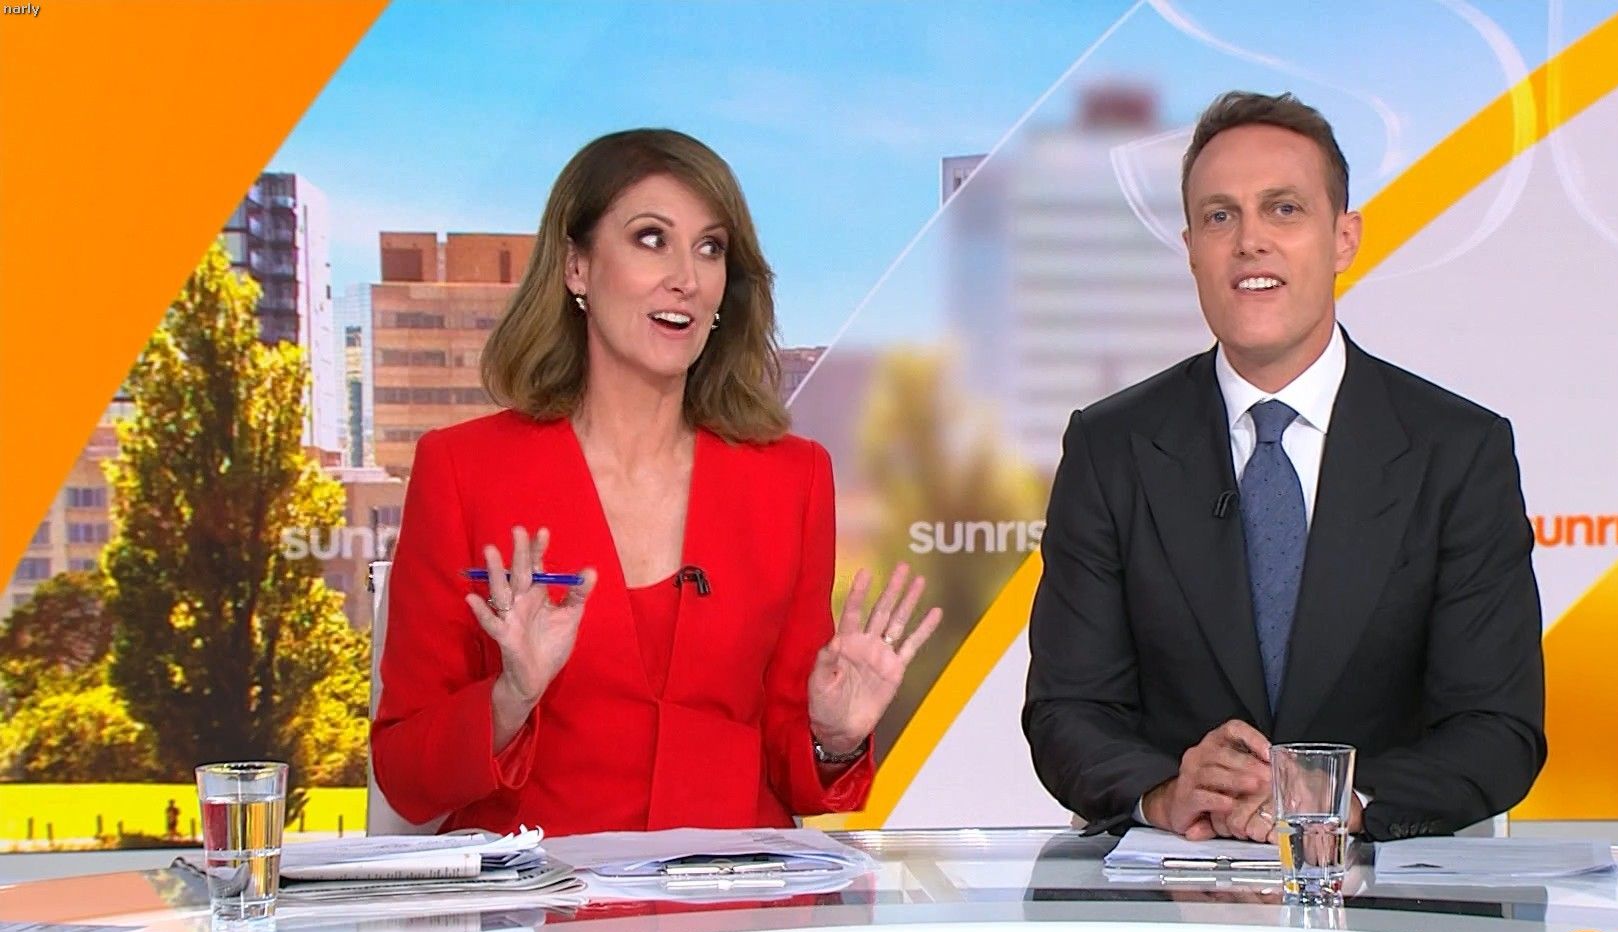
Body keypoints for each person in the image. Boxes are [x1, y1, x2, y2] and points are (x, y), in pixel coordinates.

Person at [372, 129, 941, 836]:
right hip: (543, 890)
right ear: (577, 267)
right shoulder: (464, 470)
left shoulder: (791, 480)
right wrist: (509, 698)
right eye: (651, 239)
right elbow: (406, 776)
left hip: (736, 888)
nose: (687, 278)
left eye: (711, 248)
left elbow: (791, 770)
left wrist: (833, 737)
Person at [1023, 91, 1545, 842]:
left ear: (1343, 238)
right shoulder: (1111, 448)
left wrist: (1332, 803)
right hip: (1176, 880)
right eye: (1220, 216)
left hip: (1384, 887)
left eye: (1284, 209)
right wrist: (1167, 794)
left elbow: (1497, 727)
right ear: (1192, 248)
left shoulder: (1459, 451)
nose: (1250, 242)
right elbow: (1068, 710)